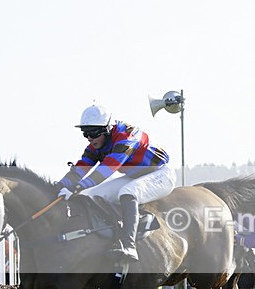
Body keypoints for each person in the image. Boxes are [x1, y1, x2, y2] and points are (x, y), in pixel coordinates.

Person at [56, 104, 175, 262]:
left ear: (108, 129)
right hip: (135, 176)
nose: (90, 138)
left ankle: (129, 245)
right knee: (93, 195)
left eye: (94, 132)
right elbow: (81, 168)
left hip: (161, 174)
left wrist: (77, 188)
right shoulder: (96, 144)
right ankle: (111, 236)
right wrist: (60, 185)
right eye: (85, 133)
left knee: (128, 193)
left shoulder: (126, 138)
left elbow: (107, 169)